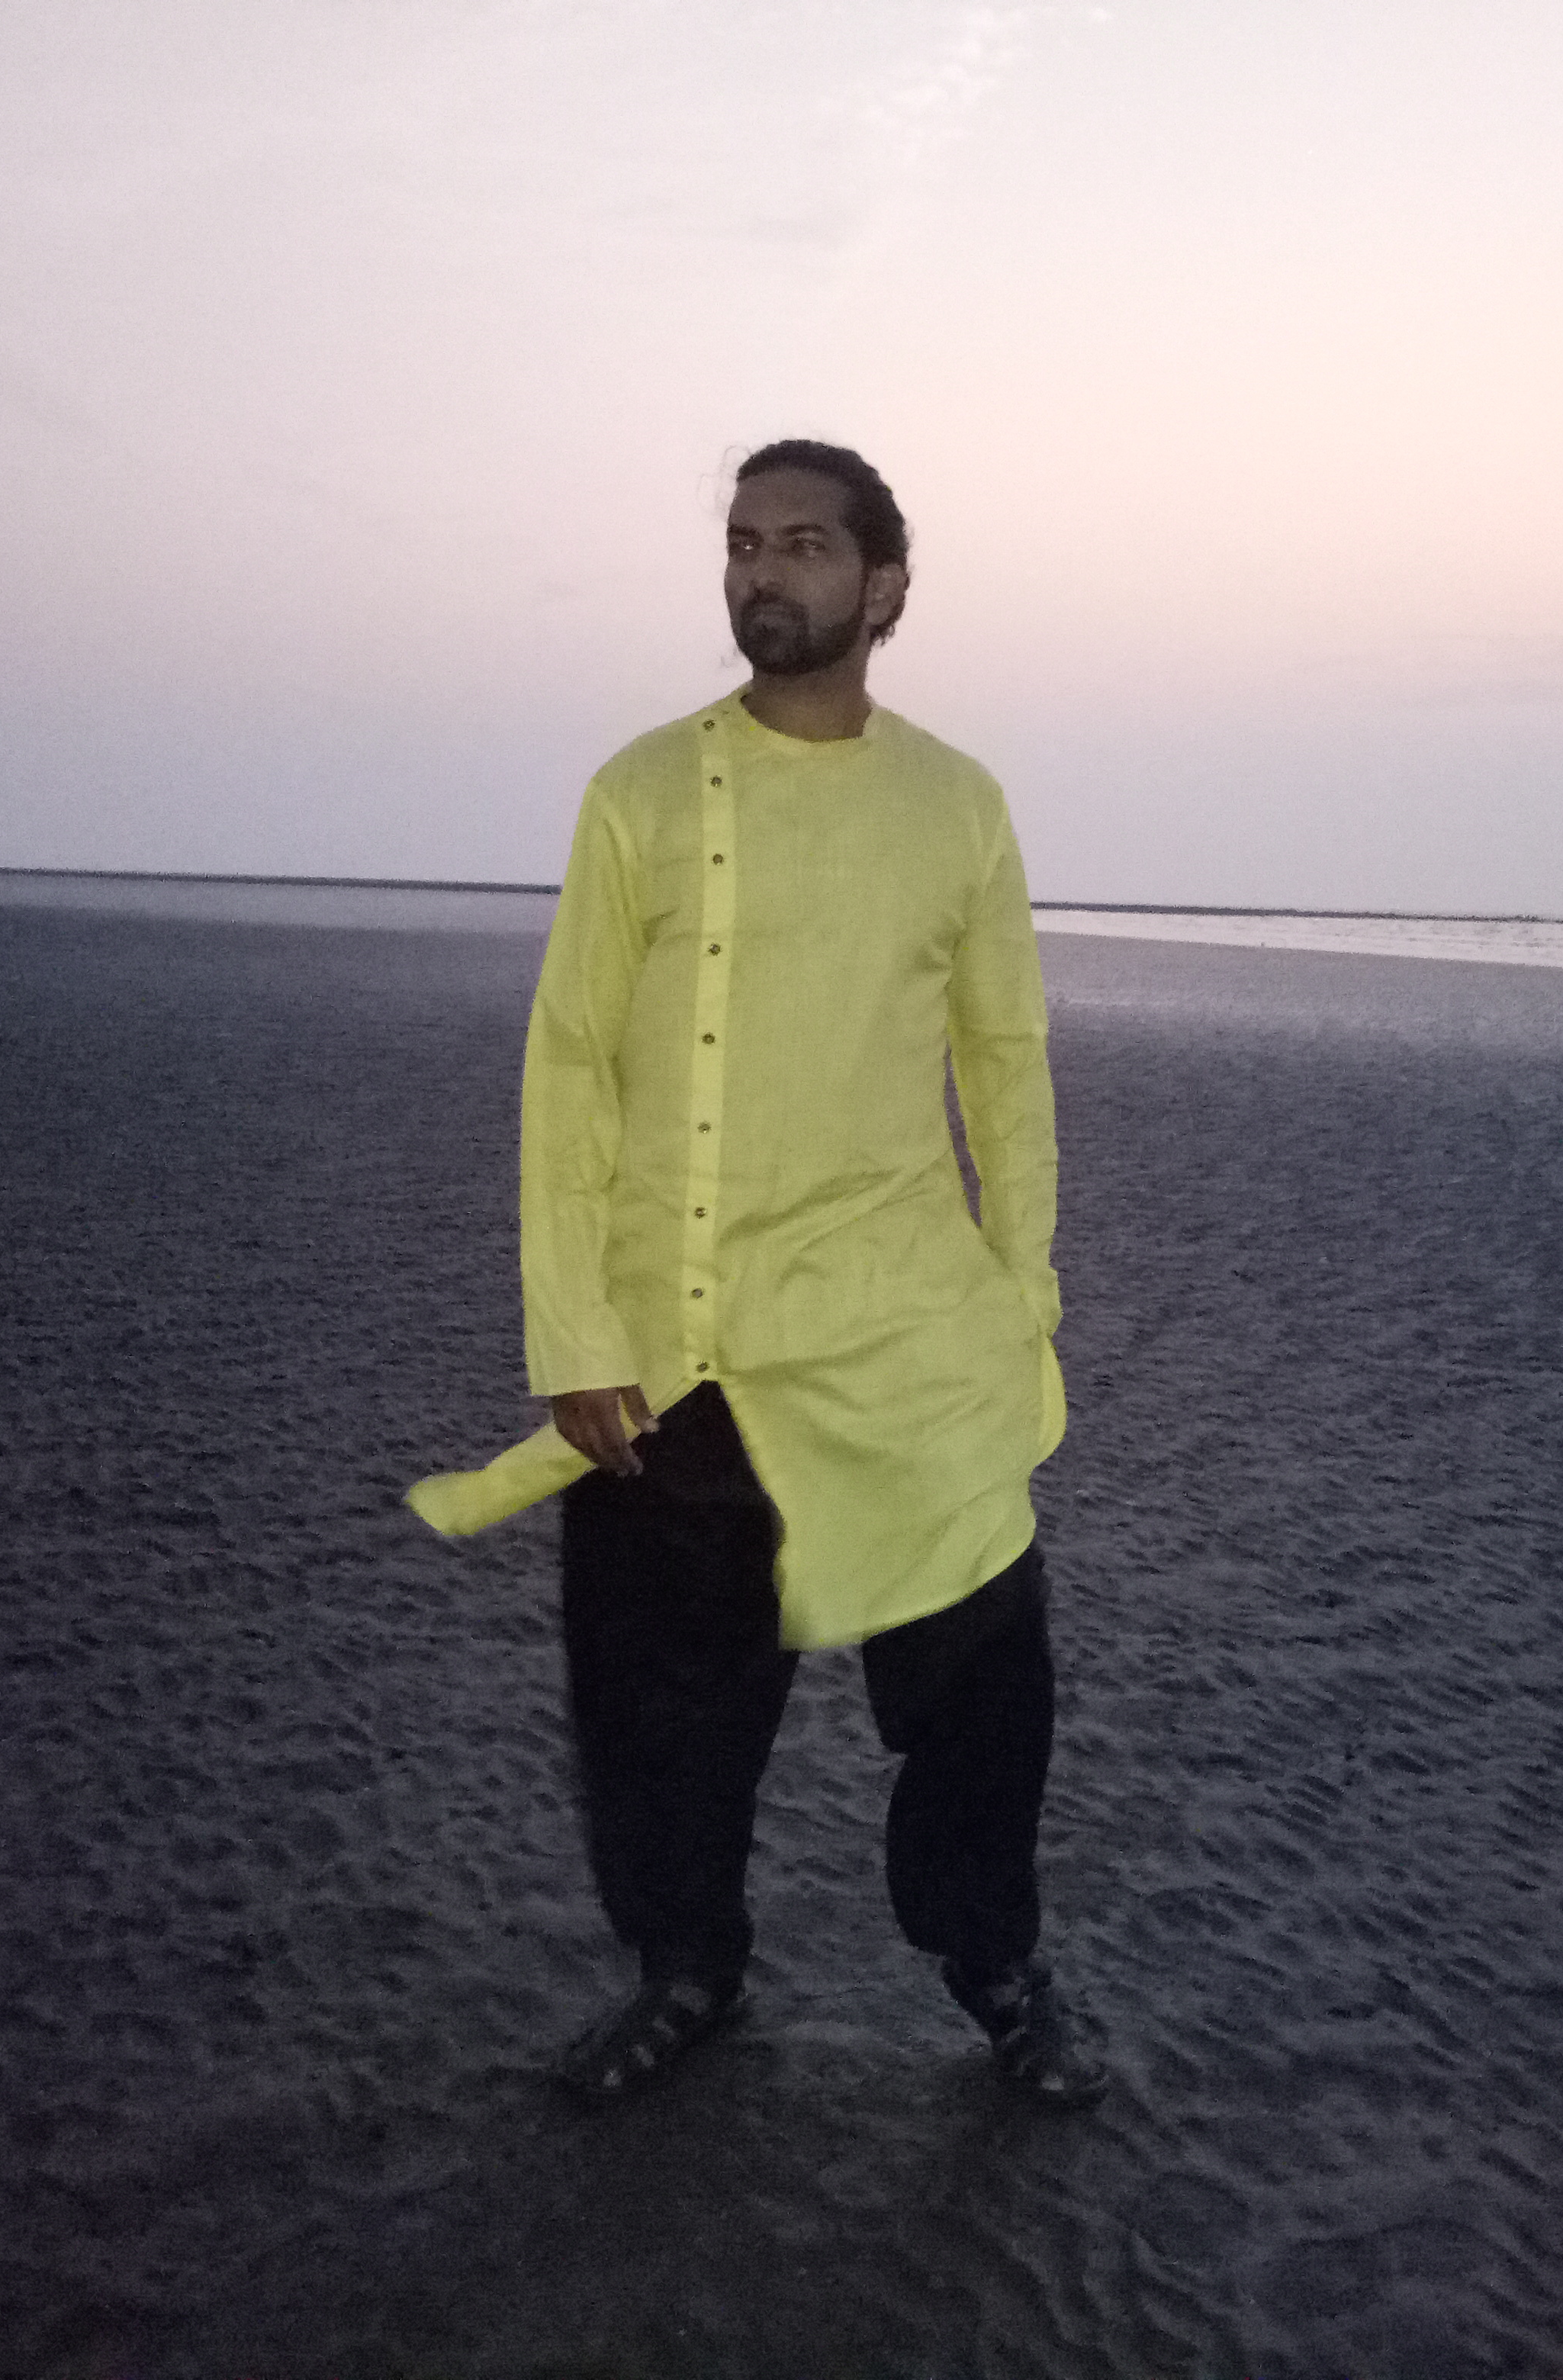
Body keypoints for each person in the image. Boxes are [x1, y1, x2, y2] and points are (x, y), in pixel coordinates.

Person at [407, 439, 1104, 2106]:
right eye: (740, 543)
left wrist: (1024, 1295)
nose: (761, 572)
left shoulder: (957, 805)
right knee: (657, 1711)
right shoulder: (646, 792)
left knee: (983, 1687)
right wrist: (575, 1333)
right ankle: (688, 1972)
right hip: (680, 1346)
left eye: (801, 544)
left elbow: (1005, 1063)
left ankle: (997, 1968)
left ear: (885, 584)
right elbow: (572, 1065)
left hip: (901, 1336)